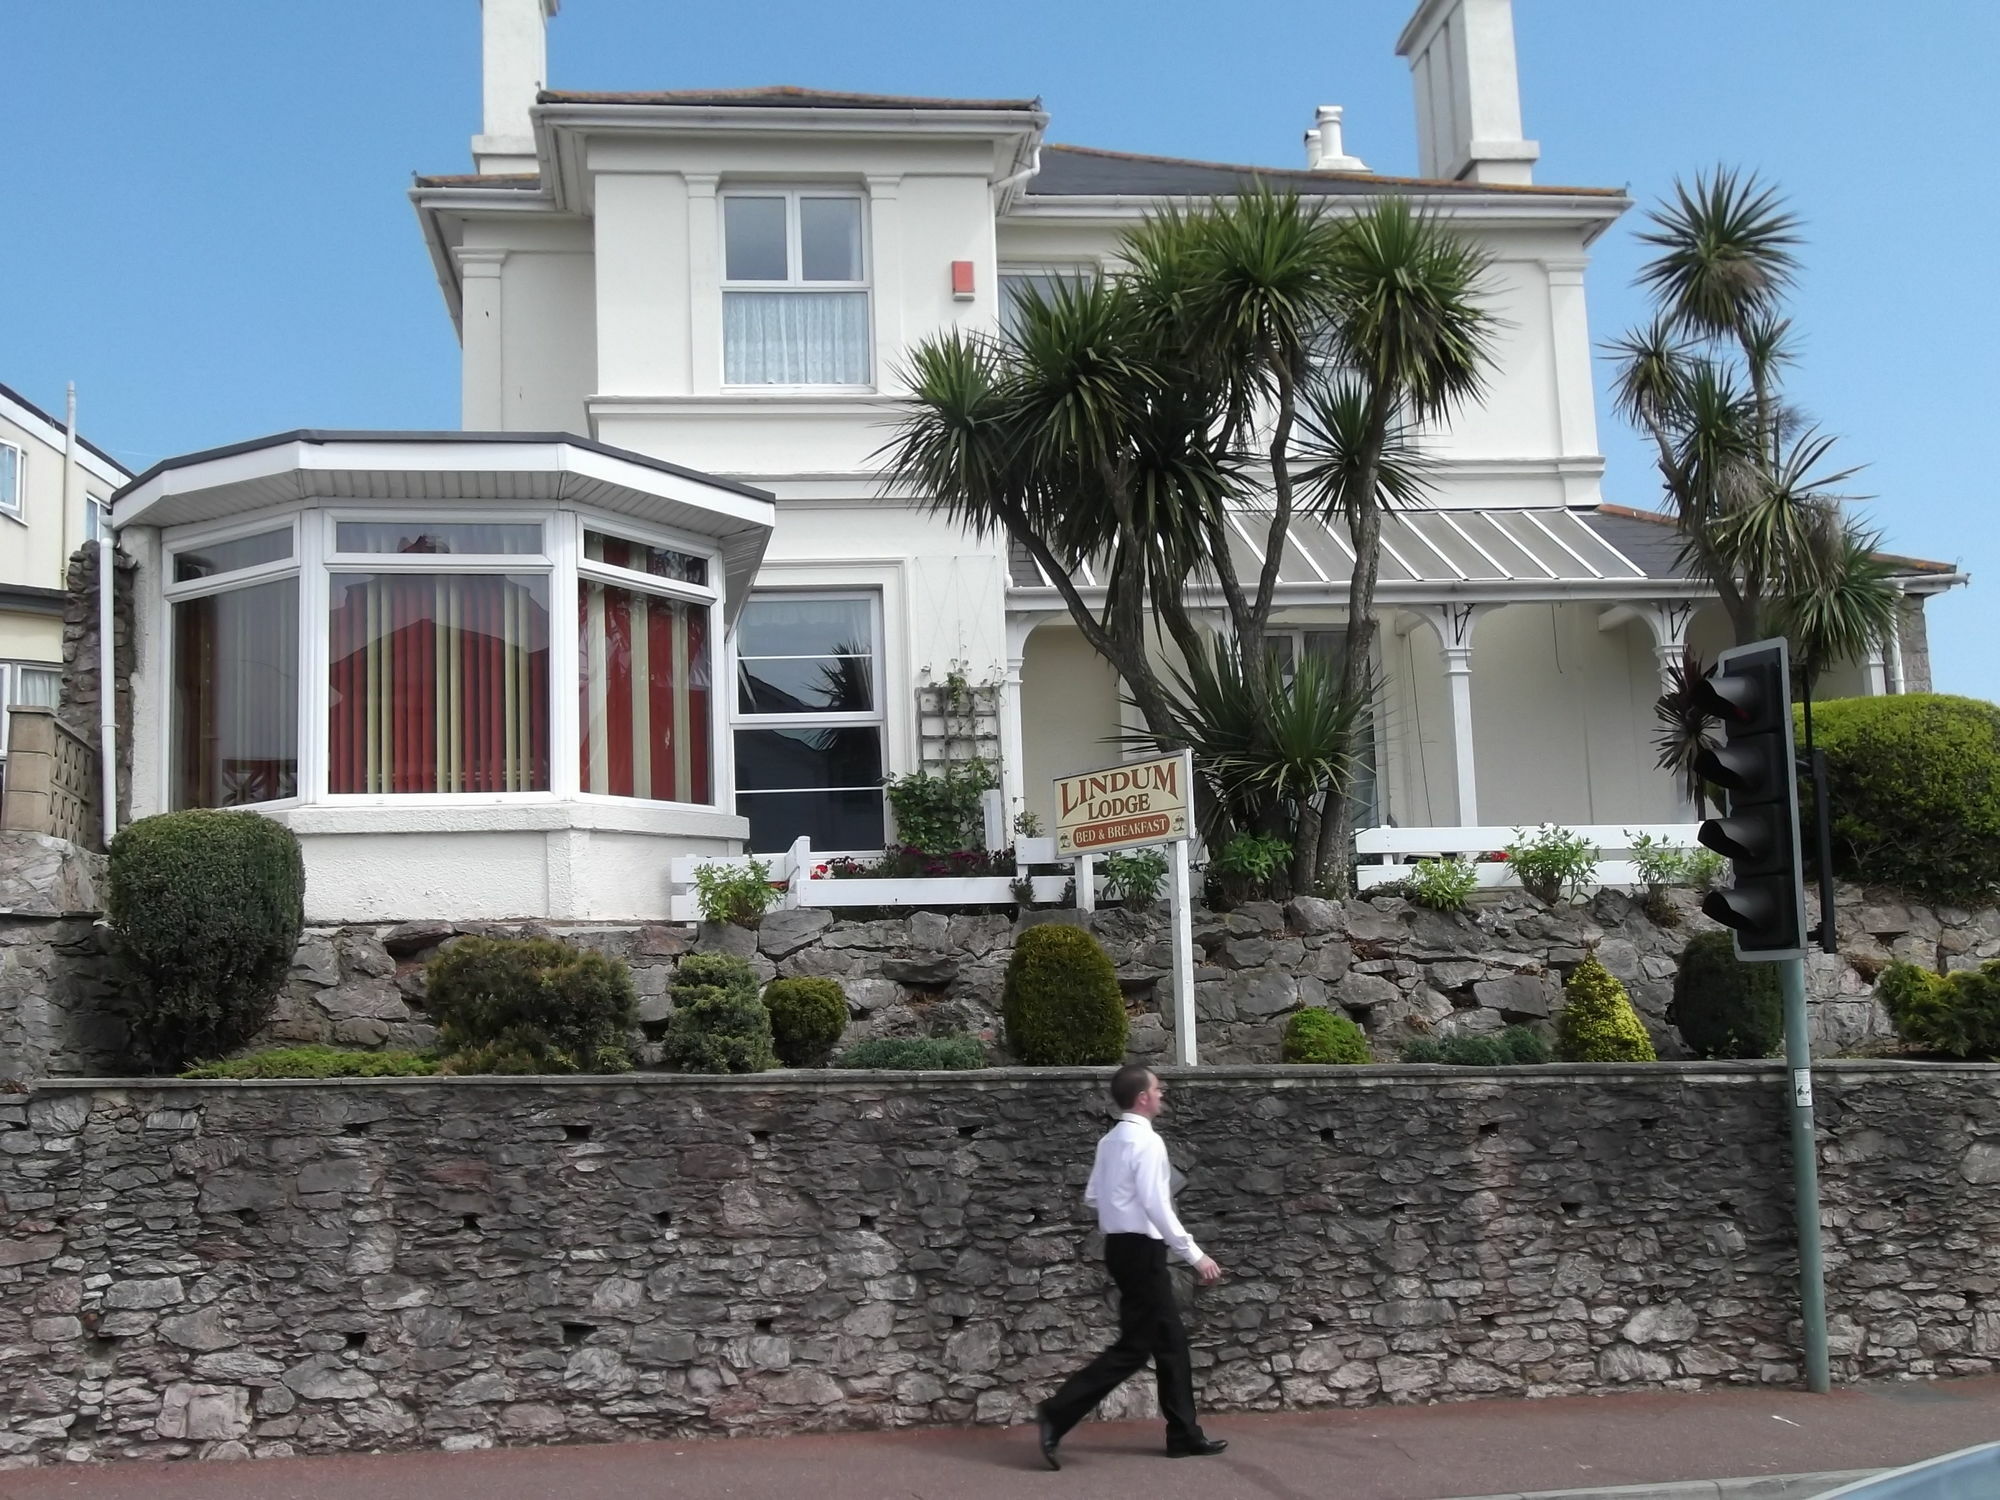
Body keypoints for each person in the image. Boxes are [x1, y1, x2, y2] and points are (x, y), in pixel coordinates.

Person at [1035, 1063, 1227, 1469]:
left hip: (1120, 1248)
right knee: (1136, 1348)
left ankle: (1183, 1434)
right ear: (1142, 1097)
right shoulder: (1148, 1143)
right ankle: (1058, 1411)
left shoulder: (1109, 1142)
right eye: (1158, 1090)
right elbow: (1157, 1205)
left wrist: (1120, 1210)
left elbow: (1092, 1196)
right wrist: (1196, 1255)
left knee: (1170, 1343)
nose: (1162, 1095)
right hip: (1143, 1252)